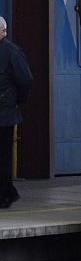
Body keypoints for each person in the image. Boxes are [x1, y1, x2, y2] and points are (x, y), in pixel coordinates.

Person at [0, 16, 33, 208]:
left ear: (4, 31)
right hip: (5, 113)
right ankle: (7, 193)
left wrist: (14, 101)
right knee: (3, 157)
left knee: (3, 157)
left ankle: (5, 194)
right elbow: (25, 79)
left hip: (4, 115)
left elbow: (25, 79)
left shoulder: (11, 51)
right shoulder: (12, 52)